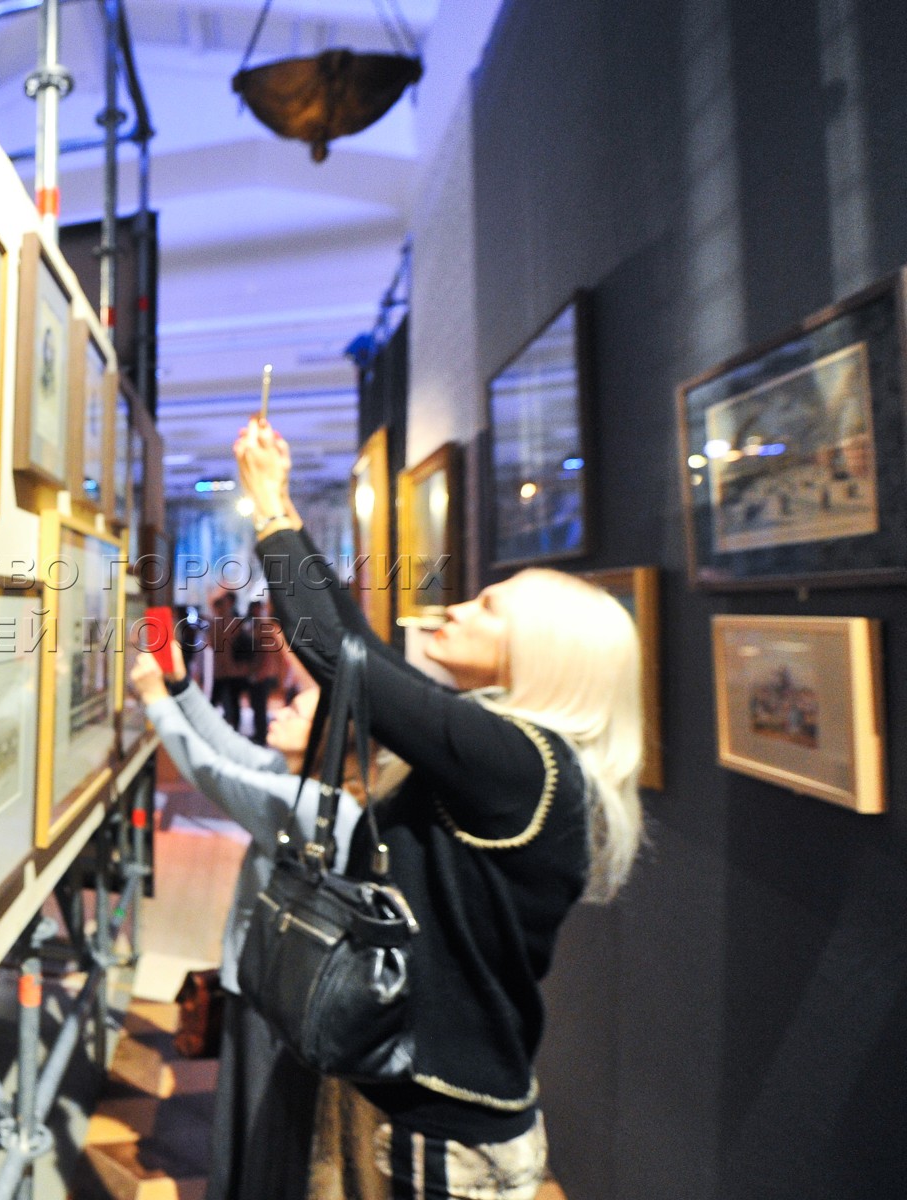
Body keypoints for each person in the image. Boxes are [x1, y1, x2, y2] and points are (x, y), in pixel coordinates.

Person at [232, 417, 644, 1200]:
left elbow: (337, 655)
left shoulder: (519, 760)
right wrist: (281, 507)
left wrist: (269, 508)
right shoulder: (508, 751)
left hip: (443, 1127)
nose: (455, 610)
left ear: (546, 652)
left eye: (488, 607)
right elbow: (355, 648)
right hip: (414, 1094)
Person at [129, 638, 363, 1200]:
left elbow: (212, 772)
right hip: (274, 984)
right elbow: (233, 752)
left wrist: (156, 699)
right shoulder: (316, 788)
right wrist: (181, 687)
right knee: (250, 1120)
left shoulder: (310, 807)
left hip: (275, 993)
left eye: (298, 709)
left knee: (261, 1129)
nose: (282, 709)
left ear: (330, 734)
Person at [244, 595, 288, 747]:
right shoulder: (255, 626)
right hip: (256, 671)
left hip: (262, 673)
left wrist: (261, 672)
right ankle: (259, 734)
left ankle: (261, 735)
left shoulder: (265, 627)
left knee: (260, 706)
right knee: (257, 706)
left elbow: (268, 654)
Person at [208, 589, 252, 731]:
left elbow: (212, 644)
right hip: (234, 670)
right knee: (233, 701)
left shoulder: (219, 624)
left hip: (225, 670)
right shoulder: (236, 622)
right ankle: (233, 728)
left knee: (220, 701)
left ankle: (219, 728)